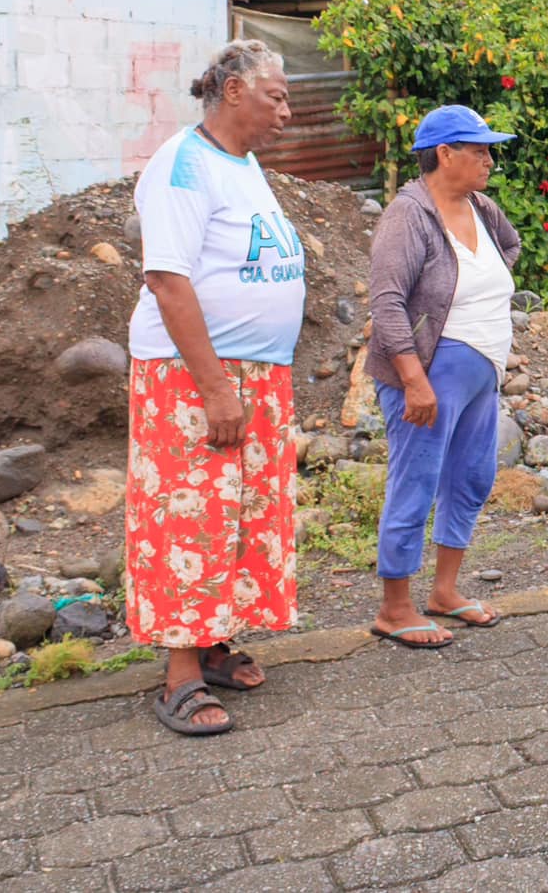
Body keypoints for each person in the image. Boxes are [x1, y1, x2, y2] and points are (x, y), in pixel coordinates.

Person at [126, 39, 305, 737]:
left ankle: (213, 644)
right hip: (192, 375)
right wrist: (217, 389)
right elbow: (167, 280)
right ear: (233, 92)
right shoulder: (182, 164)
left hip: (257, 371)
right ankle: (180, 675)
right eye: (276, 97)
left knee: (241, 515)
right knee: (191, 518)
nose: (286, 112)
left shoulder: (244, 165)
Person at [365, 105, 524, 647]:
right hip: (430, 374)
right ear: (444, 154)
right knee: (416, 482)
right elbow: (386, 302)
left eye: (489, 150)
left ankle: (445, 592)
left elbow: (509, 247)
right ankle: (395, 607)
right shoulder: (408, 215)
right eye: (478, 150)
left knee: (471, 477)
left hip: (482, 369)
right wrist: (413, 378)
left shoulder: (481, 207)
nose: (489, 160)